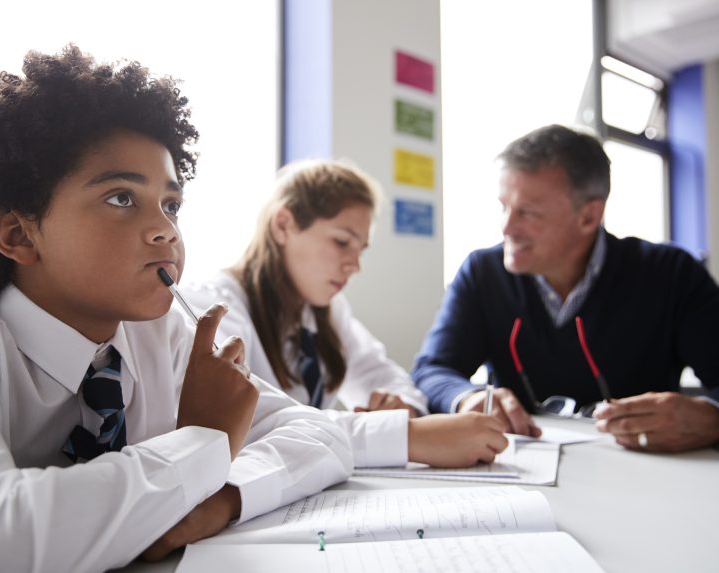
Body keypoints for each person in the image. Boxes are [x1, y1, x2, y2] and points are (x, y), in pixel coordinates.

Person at [0, 45, 353, 573]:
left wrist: (222, 499)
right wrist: (204, 443)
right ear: (18, 234)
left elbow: (321, 435)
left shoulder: (164, 334)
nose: (167, 230)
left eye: (171, 205)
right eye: (121, 199)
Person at [412, 123, 719, 452]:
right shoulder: (482, 272)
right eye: (503, 206)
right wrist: (466, 397)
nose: (506, 226)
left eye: (527, 212)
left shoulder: (671, 274)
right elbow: (432, 370)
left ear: (589, 217)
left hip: (645, 476)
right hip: (520, 474)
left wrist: (714, 418)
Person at [181, 159, 508, 469]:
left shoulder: (326, 311)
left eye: (360, 249)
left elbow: (388, 377)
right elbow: (255, 423)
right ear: (283, 225)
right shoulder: (215, 307)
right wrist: (405, 437)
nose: (355, 265)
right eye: (342, 242)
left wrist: (398, 406)